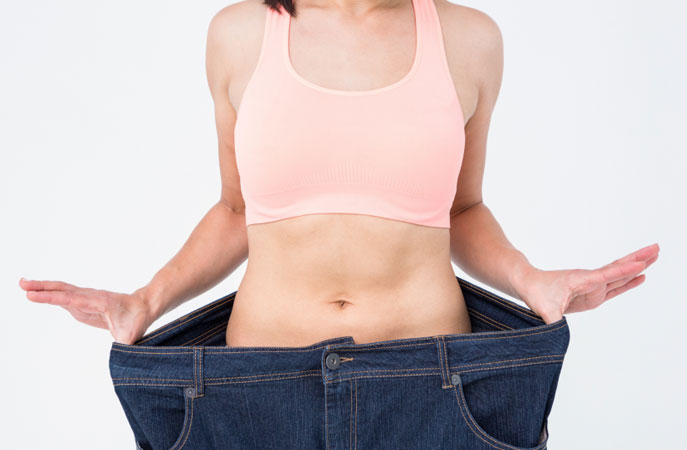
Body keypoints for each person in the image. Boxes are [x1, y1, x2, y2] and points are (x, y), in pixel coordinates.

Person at [20, 0, 659, 448]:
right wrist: (145, 301)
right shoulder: (239, 34)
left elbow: (461, 210)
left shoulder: (469, 39)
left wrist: (532, 281)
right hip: (257, 389)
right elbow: (237, 211)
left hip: (430, 387)